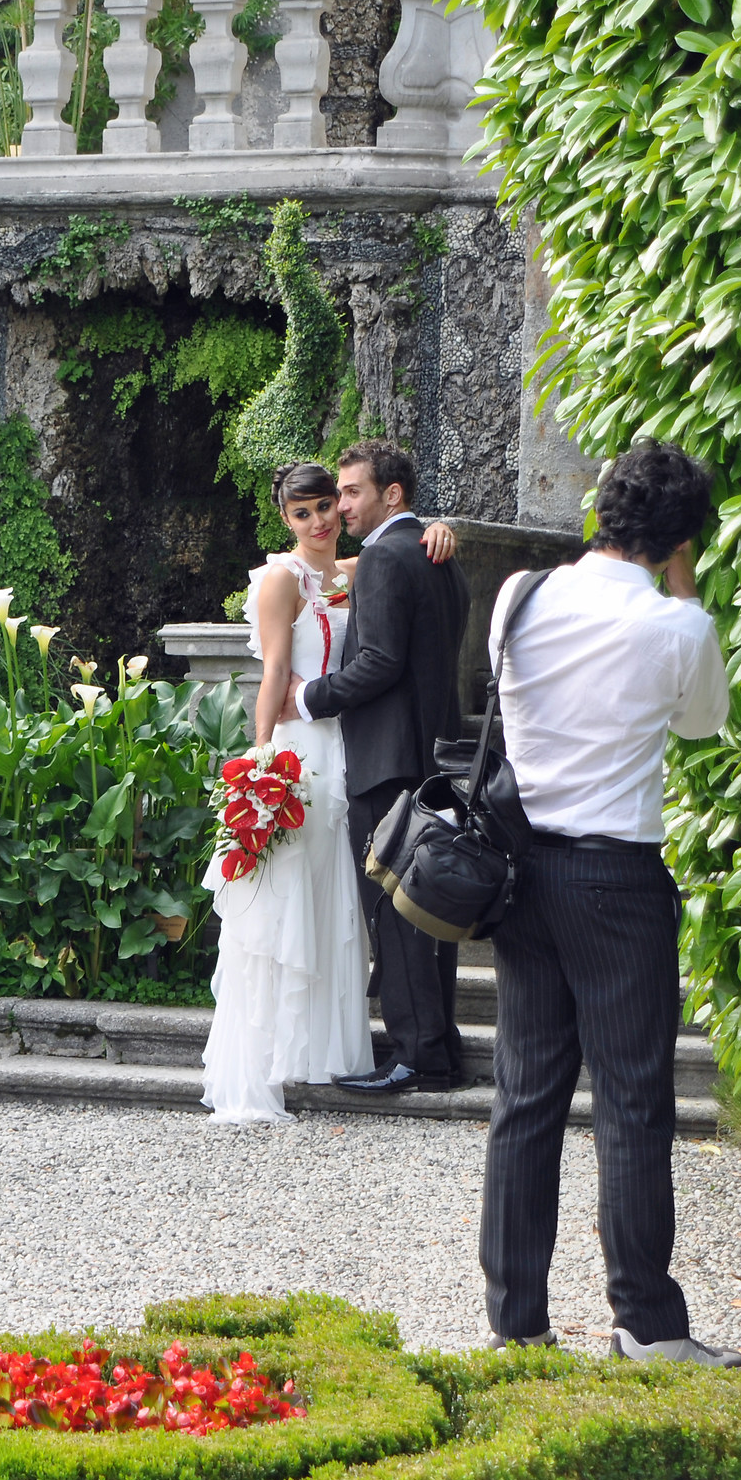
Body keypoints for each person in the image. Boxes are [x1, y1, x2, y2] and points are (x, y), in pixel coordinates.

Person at [478, 439, 740, 1365]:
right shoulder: (677, 626)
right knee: (631, 1103)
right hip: (616, 881)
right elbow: (704, 722)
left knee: (525, 1097)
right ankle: (647, 1324)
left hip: (521, 873)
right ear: (680, 540)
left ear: (602, 510)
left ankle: (517, 1323)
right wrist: (686, 587)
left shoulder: (520, 595)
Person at [202, 463, 458, 1123]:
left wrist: (438, 529)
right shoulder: (280, 579)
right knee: (291, 901)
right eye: (304, 512)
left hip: (353, 750)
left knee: (345, 905)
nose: (320, 520)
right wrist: (262, 759)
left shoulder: (356, 567)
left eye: (327, 505)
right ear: (284, 519)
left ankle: (332, 1048)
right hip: (303, 750)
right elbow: (274, 674)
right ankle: (278, 1050)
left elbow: (401, 553)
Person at [284, 440, 473, 1096]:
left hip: (387, 763)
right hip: (430, 759)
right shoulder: (434, 553)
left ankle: (417, 1057)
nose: (340, 505)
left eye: (352, 491)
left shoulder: (390, 556)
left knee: (396, 913)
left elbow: (380, 663)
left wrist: (307, 698)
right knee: (429, 910)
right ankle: (439, 1049)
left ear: (391, 494)